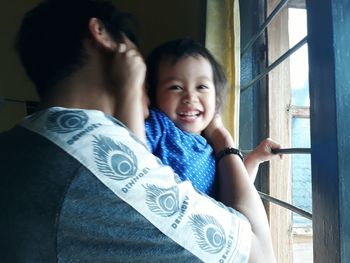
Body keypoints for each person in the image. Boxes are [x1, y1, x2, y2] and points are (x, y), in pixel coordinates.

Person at [0, 0, 276, 262]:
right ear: (102, 35)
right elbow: (260, 257)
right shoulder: (99, 154)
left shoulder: (19, 145)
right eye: (169, 86)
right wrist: (223, 139)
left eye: (202, 86)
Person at [145, 38, 281, 196]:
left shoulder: (212, 146)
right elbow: (132, 150)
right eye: (175, 87)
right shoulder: (158, 125)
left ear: (216, 97)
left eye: (201, 87)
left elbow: (236, 192)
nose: (190, 97)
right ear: (152, 92)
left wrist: (255, 159)